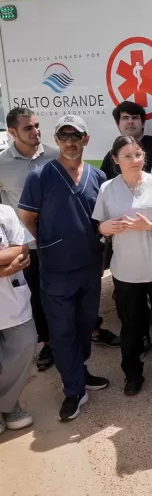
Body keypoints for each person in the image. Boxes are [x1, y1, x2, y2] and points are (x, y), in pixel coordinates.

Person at [18, 115, 110, 422]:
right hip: (56, 269)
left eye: (76, 136)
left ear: (86, 139)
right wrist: (47, 247)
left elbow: (101, 220)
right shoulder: (40, 176)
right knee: (61, 330)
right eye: (64, 136)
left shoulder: (97, 177)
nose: (70, 142)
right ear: (56, 140)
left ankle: (79, 373)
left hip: (89, 266)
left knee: (85, 325)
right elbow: (27, 219)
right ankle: (73, 391)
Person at [93, 136, 152, 396]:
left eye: (138, 154)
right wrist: (104, 228)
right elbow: (100, 225)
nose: (134, 160)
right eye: (128, 156)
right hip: (126, 269)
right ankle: (132, 373)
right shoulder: (107, 189)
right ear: (115, 159)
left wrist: (150, 226)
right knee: (131, 325)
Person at [100, 101, 152, 354]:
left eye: (135, 118)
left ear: (143, 122)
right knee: (132, 298)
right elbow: (106, 193)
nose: (130, 121)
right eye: (125, 118)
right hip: (127, 239)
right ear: (118, 123)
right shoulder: (110, 157)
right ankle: (140, 337)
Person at [0, 107, 58, 371]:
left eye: (36, 126)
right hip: (27, 247)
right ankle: (47, 343)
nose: (35, 132)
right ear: (12, 132)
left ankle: (76, 334)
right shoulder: (2, 165)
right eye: (28, 128)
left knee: (61, 292)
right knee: (35, 296)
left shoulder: (55, 155)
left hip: (59, 242)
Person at [0, 203, 37, 434]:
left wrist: (12, 258)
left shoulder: (5, 211)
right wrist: (3, 268)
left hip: (11, 299)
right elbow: (11, 253)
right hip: (7, 279)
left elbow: (21, 251)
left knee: (25, 343)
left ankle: (7, 401)